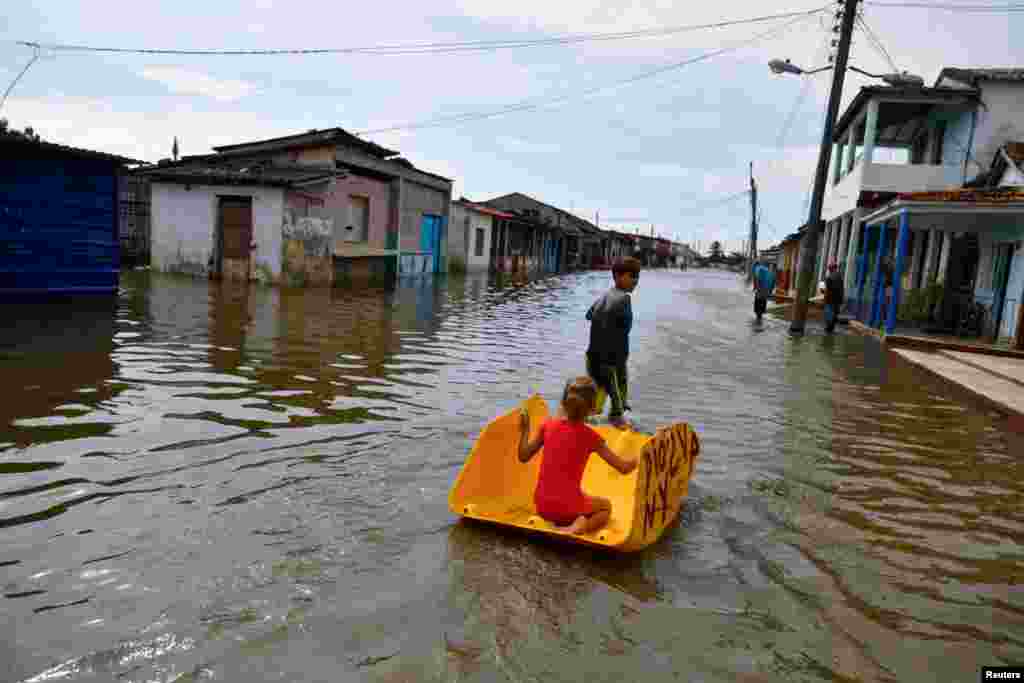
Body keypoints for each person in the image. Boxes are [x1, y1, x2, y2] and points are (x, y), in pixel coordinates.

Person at [518, 377, 637, 535]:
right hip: (568, 509)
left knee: (580, 496)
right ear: (593, 408)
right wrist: (641, 456)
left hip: (542, 507)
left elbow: (523, 456)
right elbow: (624, 468)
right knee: (606, 506)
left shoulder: (547, 426)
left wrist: (525, 429)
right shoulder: (591, 437)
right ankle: (581, 527)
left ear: (564, 402)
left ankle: (571, 519)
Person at [585, 256, 641, 429]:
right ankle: (617, 418)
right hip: (611, 359)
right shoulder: (624, 299)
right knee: (616, 392)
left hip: (593, 356)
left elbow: (589, 315)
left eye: (637, 276)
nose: (635, 280)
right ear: (617, 276)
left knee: (599, 390)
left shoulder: (603, 297)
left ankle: (590, 419)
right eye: (631, 276)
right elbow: (625, 328)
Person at [824, 262, 845, 334]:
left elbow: (827, 290)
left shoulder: (829, 278)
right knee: (834, 316)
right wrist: (842, 301)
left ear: (831, 269)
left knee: (829, 316)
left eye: (829, 268)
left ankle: (828, 331)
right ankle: (831, 330)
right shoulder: (840, 277)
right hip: (837, 301)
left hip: (830, 301)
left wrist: (824, 299)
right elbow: (842, 290)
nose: (829, 270)